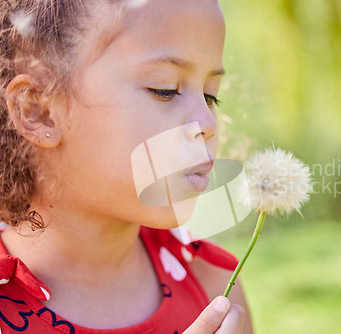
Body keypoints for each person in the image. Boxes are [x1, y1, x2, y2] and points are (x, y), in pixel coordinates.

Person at [0, 0, 252, 333]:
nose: (207, 123)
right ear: (38, 110)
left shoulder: (216, 290)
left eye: (210, 96)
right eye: (164, 89)